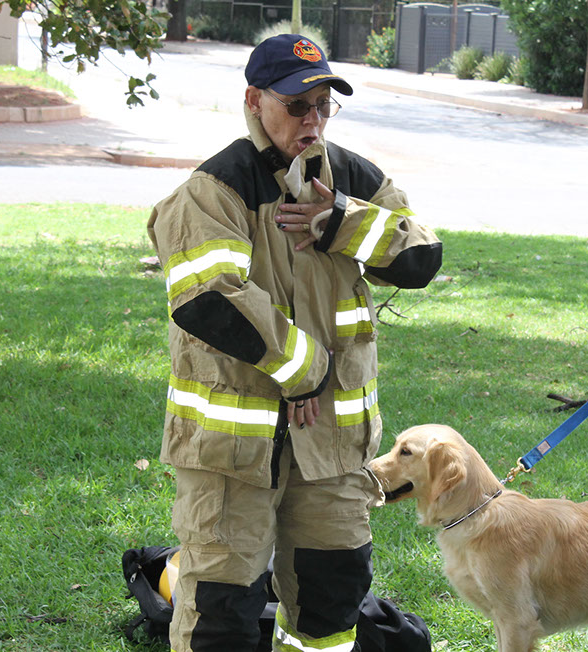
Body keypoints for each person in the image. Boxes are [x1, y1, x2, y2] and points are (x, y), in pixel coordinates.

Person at [147, 34, 443, 652]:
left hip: (331, 450)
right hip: (233, 454)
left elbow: (421, 256)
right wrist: (304, 369)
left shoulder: (354, 179)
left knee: (331, 601)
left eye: (323, 105)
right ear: (255, 101)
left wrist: (340, 223)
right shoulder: (215, 188)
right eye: (297, 105)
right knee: (222, 611)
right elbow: (208, 296)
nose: (313, 121)